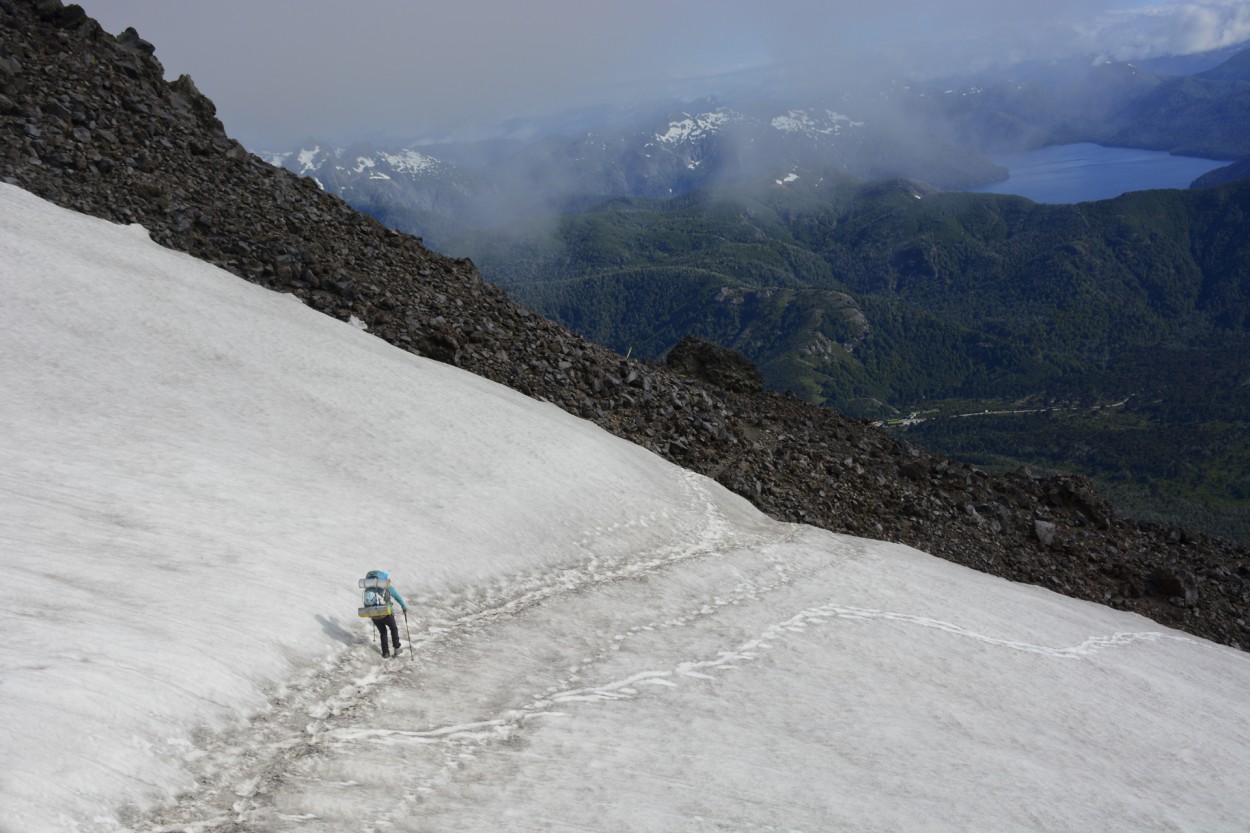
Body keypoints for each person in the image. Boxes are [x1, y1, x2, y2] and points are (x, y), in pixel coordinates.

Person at [359, 569, 408, 657]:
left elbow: (366, 603)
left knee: (383, 632)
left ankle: (385, 652)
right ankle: (396, 648)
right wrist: (404, 607)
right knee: (393, 628)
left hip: (374, 615)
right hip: (386, 613)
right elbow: (398, 597)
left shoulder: (367, 589)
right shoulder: (386, 586)